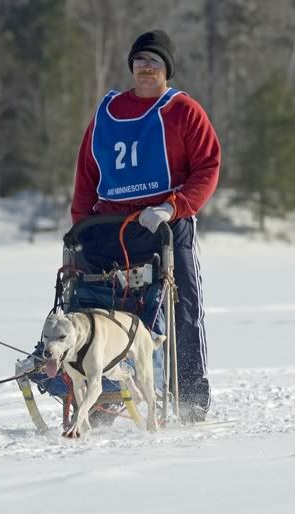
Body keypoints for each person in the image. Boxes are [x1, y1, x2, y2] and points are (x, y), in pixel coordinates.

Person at [70, 29, 220, 423]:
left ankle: (191, 398)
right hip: (108, 227)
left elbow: (208, 167)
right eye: (139, 61)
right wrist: (80, 226)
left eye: (153, 61)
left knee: (182, 312)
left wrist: (174, 206)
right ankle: (103, 398)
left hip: (165, 226)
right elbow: (87, 175)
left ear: (166, 68)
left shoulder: (184, 110)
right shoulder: (106, 111)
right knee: (104, 312)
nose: (145, 67)